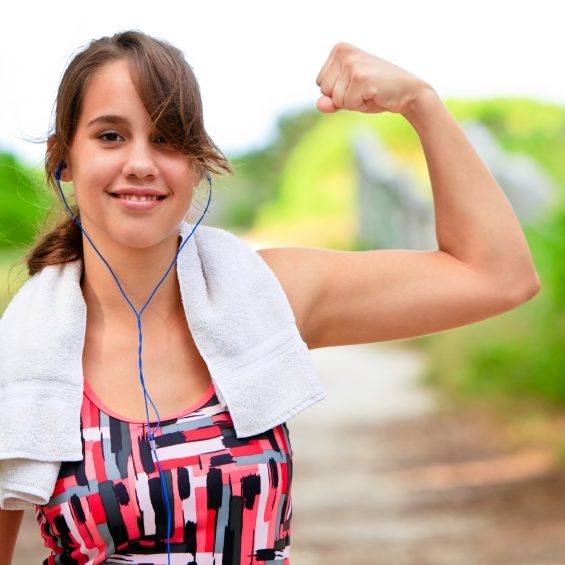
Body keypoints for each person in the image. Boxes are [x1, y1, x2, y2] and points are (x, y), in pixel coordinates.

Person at [0, 30, 539, 564]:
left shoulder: (265, 294)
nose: (141, 162)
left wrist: (421, 103)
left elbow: (496, 275)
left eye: (167, 137)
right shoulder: (23, 358)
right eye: (111, 136)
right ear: (64, 156)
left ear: (196, 161)